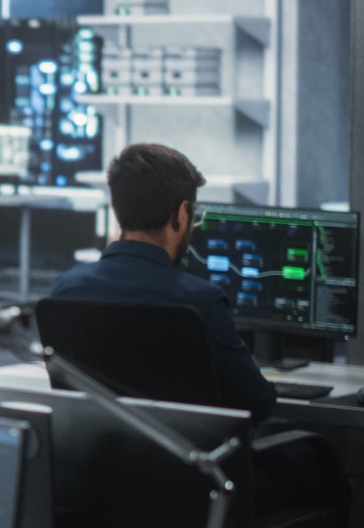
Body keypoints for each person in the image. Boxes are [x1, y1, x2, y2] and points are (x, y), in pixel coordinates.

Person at [48, 142, 277, 423]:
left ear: (117, 209)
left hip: (96, 460)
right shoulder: (201, 302)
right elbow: (258, 403)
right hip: (188, 464)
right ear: (181, 214)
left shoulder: (67, 290)